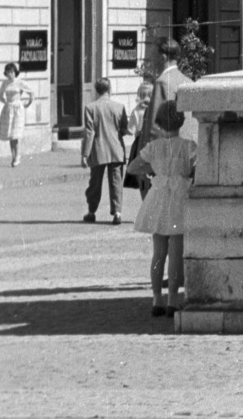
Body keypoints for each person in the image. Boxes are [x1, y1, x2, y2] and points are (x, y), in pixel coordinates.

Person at [131, 100, 196, 318]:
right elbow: (198, 167)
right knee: (176, 252)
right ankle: (172, 300)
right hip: (179, 196)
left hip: (158, 196)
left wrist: (156, 169)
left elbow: (133, 167)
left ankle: (156, 299)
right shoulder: (188, 146)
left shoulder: (154, 147)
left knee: (158, 253)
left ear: (158, 124)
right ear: (181, 121)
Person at [81, 76, 130, 225]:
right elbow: (123, 129)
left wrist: (85, 154)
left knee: (95, 182)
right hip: (116, 150)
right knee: (116, 182)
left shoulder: (90, 108)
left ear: (96, 90)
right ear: (110, 90)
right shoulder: (119, 107)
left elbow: (89, 133)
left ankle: (91, 211)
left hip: (98, 150)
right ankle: (117, 212)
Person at [0, 63, 33, 168]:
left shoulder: (20, 82)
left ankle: (18, 156)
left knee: (16, 135)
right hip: (8, 109)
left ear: (15, 72)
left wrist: (28, 103)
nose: (10, 74)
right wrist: (6, 103)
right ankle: (13, 156)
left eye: (11, 72)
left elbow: (31, 93)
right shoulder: (5, 83)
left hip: (18, 109)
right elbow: (0, 95)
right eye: (8, 72)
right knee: (10, 135)